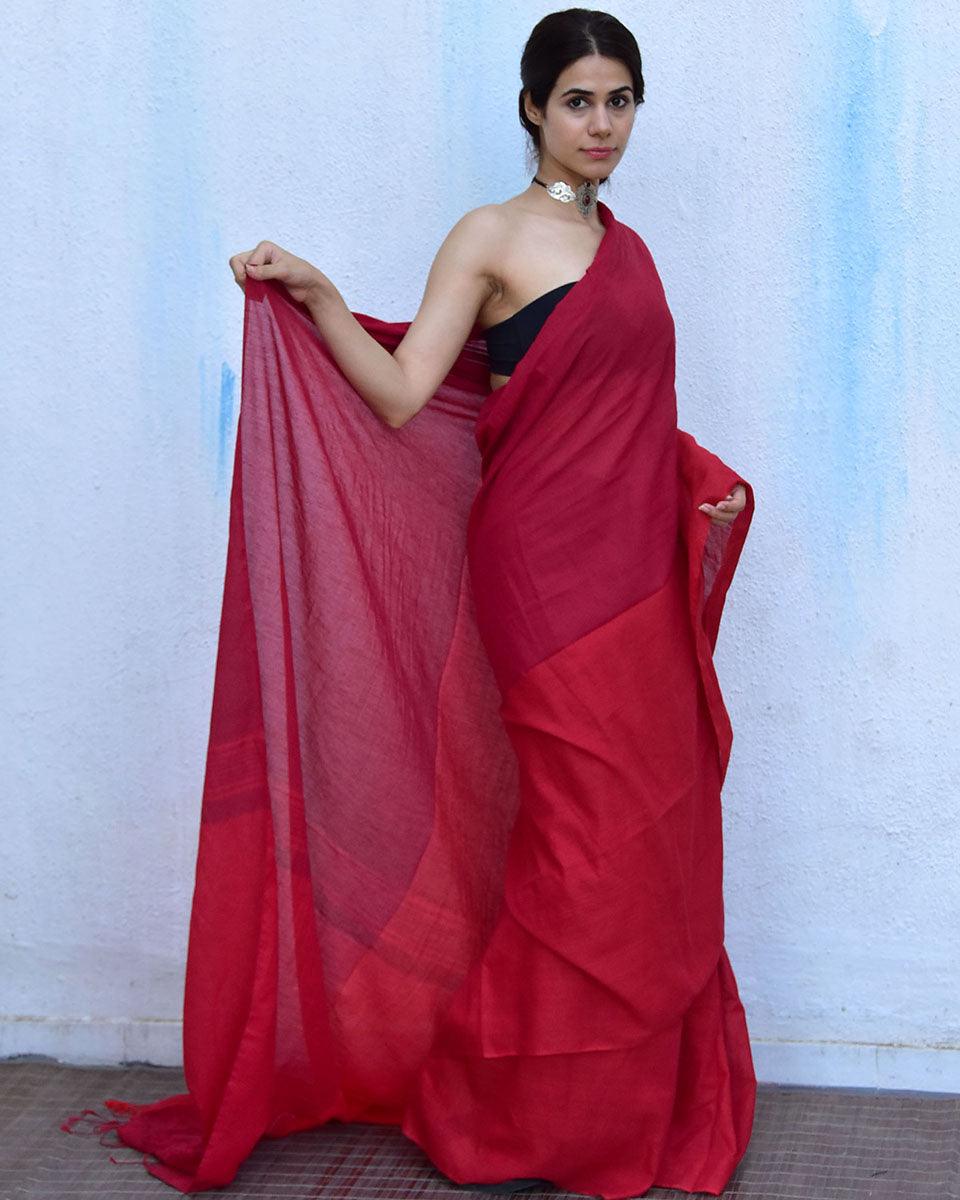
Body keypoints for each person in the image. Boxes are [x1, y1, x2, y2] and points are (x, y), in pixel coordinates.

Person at [64, 9, 757, 1198]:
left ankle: (611, 1108)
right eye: (581, 100)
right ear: (534, 106)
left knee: (652, 829)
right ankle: (506, 1109)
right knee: (581, 836)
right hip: (542, 579)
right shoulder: (489, 235)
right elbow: (402, 394)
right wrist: (327, 298)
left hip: (631, 573)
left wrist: (689, 480)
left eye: (622, 101)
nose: (604, 124)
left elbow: (626, 414)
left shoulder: (628, 248)